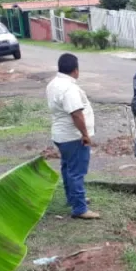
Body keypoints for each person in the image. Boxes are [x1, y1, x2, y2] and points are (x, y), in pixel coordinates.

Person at [46, 53, 99, 219]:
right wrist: (85, 135)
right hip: (73, 136)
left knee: (68, 168)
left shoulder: (54, 83)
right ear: (76, 70)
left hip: (61, 135)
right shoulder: (68, 88)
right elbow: (76, 114)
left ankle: (74, 198)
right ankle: (80, 209)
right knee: (76, 172)